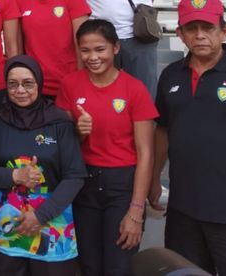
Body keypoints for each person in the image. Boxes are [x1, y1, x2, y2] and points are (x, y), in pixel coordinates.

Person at [149, 0, 226, 275]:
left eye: (208, 28)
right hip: (183, 211)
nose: (200, 35)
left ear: (224, 31)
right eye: (191, 28)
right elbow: (163, 129)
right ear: (180, 34)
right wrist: (153, 179)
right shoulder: (171, 76)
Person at [56, 19, 157, 276]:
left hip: (122, 185)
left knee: (118, 266)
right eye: (85, 50)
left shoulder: (134, 89)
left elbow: (146, 153)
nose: (92, 57)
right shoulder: (70, 84)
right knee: (88, 265)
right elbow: (63, 146)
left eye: (99, 49)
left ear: (115, 48)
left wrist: (135, 211)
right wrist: (78, 132)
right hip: (83, 183)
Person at [0, 55, 86, 276]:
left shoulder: (59, 122)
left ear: (39, 83)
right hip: (8, 225)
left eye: (27, 83)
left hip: (52, 221)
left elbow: (75, 175)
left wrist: (40, 216)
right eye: (13, 84)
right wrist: (14, 176)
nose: (20, 90)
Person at [15, 0, 91, 99]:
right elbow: (19, 46)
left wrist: (82, 81)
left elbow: (82, 43)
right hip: (34, 86)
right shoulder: (19, 0)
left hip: (68, 84)